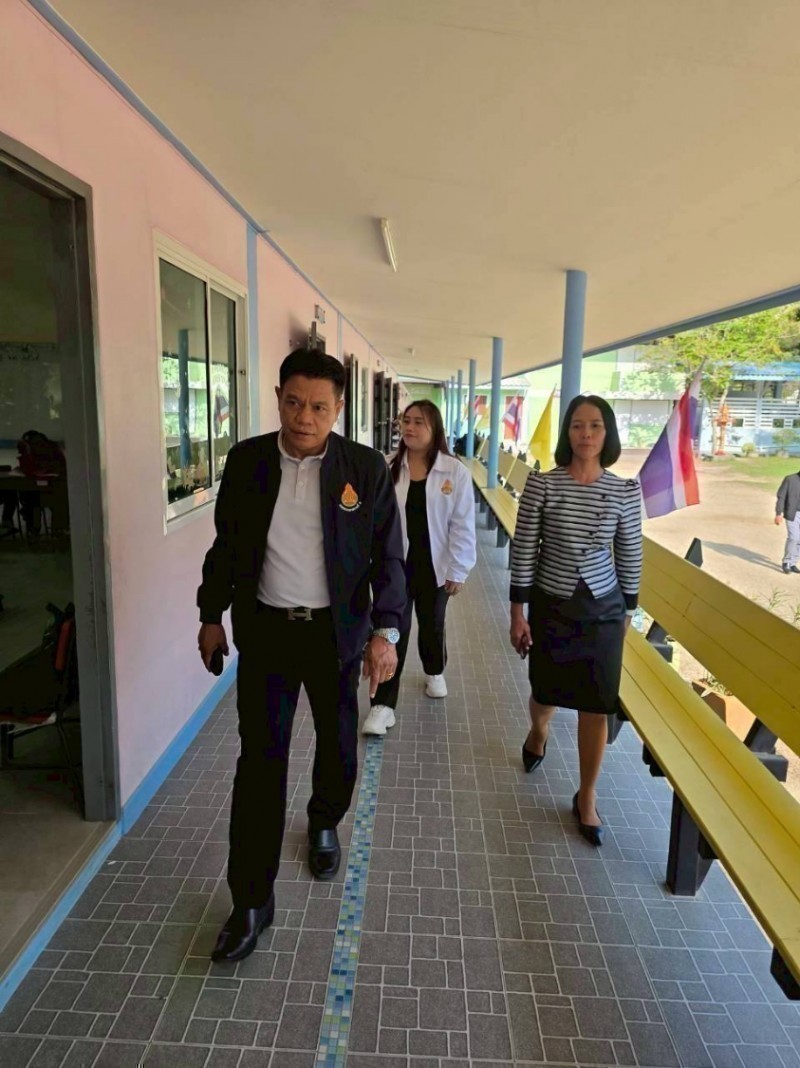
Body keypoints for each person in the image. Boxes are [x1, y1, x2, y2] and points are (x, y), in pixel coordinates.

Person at [196, 348, 406, 963]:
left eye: (317, 406)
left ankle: (324, 819)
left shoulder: (363, 468)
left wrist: (387, 633)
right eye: (292, 402)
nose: (303, 417)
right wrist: (210, 615)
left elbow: (389, 557)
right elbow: (227, 546)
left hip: (335, 636)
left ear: (338, 409)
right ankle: (251, 901)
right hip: (267, 634)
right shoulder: (248, 462)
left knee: (339, 744)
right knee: (260, 763)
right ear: (278, 398)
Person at [508, 395, 642, 846]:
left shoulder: (625, 491)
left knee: (597, 703)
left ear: (608, 434)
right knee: (544, 693)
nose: (586, 434)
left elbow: (630, 554)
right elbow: (524, 549)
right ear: (568, 432)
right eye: (578, 425)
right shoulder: (543, 485)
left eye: (596, 426)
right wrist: (517, 611)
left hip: (604, 610)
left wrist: (628, 611)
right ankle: (539, 730)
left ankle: (586, 794)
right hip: (552, 604)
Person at [362, 400, 476, 735]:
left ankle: (434, 669)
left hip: (435, 566)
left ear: (434, 428)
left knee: (432, 626)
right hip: (394, 568)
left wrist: (459, 569)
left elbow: (462, 524)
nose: (409, 428)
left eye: (418, 422)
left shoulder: (454, 472)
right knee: (390, 631)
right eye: (406, 421)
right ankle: (383, 706)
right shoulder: (388, 467)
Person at [775, 468, 800, 574]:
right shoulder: (790, 479)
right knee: (794, 538)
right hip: (793, 513)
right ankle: (787, 561)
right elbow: (781, 497)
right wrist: (778, 513)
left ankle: (793, 562)